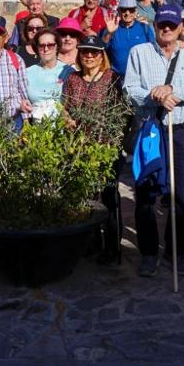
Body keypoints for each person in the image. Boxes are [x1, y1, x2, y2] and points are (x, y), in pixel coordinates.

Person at [125, 4, 184, 277]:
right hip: (151, 129)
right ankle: (148, 253)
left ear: (181, 27)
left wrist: (173, 90)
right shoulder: (139, 53)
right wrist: (154, 95)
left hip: (180, 130)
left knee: (179, 194)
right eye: (163, 24)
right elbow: (129, 90)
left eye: (173, 25)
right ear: (155, 26)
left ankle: (176, 251)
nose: (167, 29)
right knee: (146, 191)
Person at [62, 34, 124, 263]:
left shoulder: (113, 79)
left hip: (106, 147)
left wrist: (111, 141)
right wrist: (66, 118)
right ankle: (91, 242)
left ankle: (112, 246)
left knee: (109, 198)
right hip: (80, 148)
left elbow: (121, 115)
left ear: (102, 55)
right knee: (86, 198)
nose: (89, 56)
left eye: (94, 52)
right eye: (85, 51)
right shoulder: (73, 79)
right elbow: (64, 107)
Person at [25, 30, 71, 120]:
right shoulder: (27, 72)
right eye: (42, 46)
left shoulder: (67, 71)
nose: (46, 49)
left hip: (61, 127)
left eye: (50, 45)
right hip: (35, 129)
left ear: (57, 46)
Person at [106, 0, 155, 76]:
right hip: (117, 79)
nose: (127, 13)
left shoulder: (145, 28)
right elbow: (102, 48)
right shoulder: (112, 28)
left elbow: (154, 51)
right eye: (124, 10)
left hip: (141, 77)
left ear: (135, 11)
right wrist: (108, 33)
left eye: (131, 10)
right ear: (119, 11)